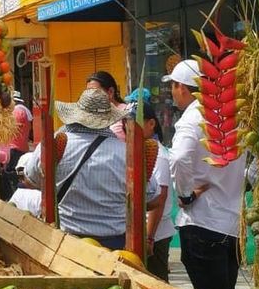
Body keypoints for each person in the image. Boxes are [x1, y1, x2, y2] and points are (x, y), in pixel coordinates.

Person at [21, 88, 159, 249]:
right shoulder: (126, 153)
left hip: (65, 242)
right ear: (108, 118)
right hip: (115, 246)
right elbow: (152, 197)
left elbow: (30, 180)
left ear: (76, 114)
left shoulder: (52, 143)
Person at [165, 59, 242, 289]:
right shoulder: (230, 113)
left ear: (183, 88)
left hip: (202, 224)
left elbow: (178, 157)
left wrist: (185, 194)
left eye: (173, 87)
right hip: (231, 224)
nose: (172, 93)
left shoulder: (193, 117)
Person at [141, 102, 174, 282]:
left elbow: (159, 199)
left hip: (155, 234)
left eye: (137, 122)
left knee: (157, 286)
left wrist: (149, 238)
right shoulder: (142, 149)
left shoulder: (158, 155)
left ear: (151, 123)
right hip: (146, 232)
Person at [0, 90, 33, 200]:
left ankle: (13, 197)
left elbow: (10, 129)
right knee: (18, 173)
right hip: (23, 147)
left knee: (10, 174)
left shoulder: (17, 112)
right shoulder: (26, 111)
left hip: (14, 148)